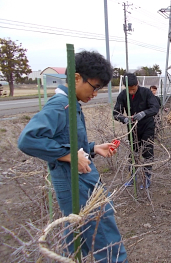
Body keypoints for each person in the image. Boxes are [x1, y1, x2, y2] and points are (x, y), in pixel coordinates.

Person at [17, 51, 128, 262]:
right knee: (106, 240)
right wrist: (67, 154)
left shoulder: (71, 104)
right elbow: (28, 139)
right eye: (94, 87)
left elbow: (66, 141)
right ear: (76, 78)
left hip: (79, 181)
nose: (95, 94)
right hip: (78, 184)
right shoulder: (61, 106)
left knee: (78, 238)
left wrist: (93, 148)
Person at [113, 73, 160, 189]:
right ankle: (132, 177)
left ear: (137, 84)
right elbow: (116, 113)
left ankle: (147, 178)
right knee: (133, 153)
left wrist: (144, 113)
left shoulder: (146, 93)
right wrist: (124, 119)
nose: (131, 92)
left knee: (147, 151)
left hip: (147, 126)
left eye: (133, 89)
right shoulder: (123, 95)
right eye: (129, 89)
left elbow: (155, 107)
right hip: (132, 127)